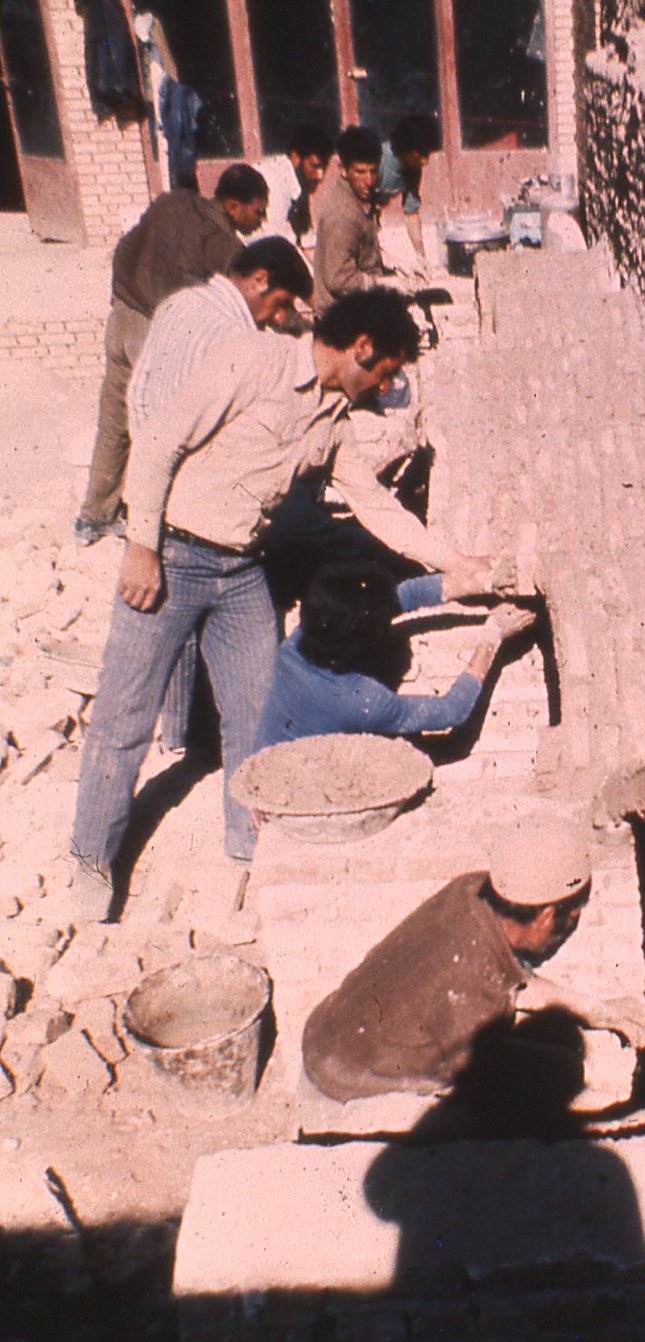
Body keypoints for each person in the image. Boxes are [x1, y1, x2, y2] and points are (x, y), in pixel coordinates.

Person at [70, 288, 493, 922]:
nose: (386, 388)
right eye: (385, 372)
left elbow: (376, 507)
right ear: (361, 348)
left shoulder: (334, 422)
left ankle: (248, 847)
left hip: (242, 572)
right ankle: (91, 864)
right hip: (174, 556)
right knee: (124, 716)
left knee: (254, 716)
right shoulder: (252, 361)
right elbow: (158, 440)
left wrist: (456, 564)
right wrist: (141, 545)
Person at [127, 235, 314, 752]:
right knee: (189, 613)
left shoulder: (181, 305)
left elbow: (140, 396)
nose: (279, 318)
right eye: (279, 304)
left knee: (172, 615)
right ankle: (198, 735)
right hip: (184, 487)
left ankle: (179, 732)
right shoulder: (233, 336)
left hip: (156, 471)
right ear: (259, 280)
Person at [301, 817, 598, 1102]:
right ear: (545, 916)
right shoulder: (470, 986)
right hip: (346, 1074)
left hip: (331, 1026)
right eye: (573, 916)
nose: (572, 927)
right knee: (561, 1076)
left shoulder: (473, 890)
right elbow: (487, 1085)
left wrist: (598, 1011)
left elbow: (512, 975)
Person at [75, 164, 271, 546]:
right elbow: (252, 295)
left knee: (114, 425)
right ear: (234, 205)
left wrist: (122, 294)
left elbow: (124, 248)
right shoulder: (223, 243)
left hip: (121, 320)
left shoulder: (173, 201)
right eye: (257, 211)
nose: (260, 221)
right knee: (167, 433)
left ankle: (93, 517)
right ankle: (159, 524)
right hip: (151, 335)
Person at [254, 560, 534, 751]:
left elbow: (402, 595)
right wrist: (492, 635)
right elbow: (452, 711)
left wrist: (485, 581)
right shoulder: (362, 701)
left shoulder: (305, 635)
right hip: (300, 785)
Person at [312, 125, 385, 313]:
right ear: (343, 170)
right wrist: (382, 283)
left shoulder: (359, 197)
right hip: (341, 317)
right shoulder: (343, 214)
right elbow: (340, 279)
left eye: (373, 171)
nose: (369, 181)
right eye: (360, 172)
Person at [375, 114, 441, 279]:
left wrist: (421, 258)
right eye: (420, 155)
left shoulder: (414, 168)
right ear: (406, 151)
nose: (425, 162)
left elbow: (411, 214)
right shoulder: (379, 161)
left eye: (427, 155)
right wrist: (394, 262)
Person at [256, 125, 334, 254]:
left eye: (324, 168)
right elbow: (272, 243)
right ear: (296, 158)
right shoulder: (276, 182)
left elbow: (307, 239)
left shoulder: (298, 181)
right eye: (315, 166)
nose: (320, 175)